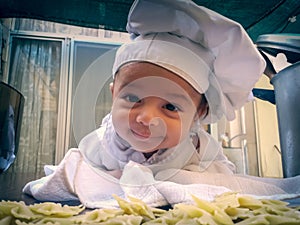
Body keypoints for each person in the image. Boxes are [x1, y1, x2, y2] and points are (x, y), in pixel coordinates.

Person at [24, 0, 300, 209]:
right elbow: (79, 170)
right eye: (133, 98)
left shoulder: (200, 150)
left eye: (169, 107)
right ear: (113, 93)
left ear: (198, 114)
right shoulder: (102, 142)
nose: (146, 118)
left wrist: (187, 181)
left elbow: (221, 182)